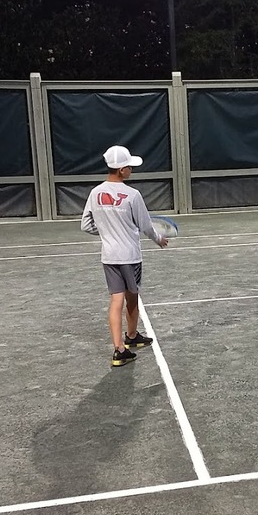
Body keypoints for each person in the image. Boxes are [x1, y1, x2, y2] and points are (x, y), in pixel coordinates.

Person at [81, 145, 169, 367]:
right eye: (129, 166)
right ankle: (129, 339)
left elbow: (86, 225)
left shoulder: (95, 193)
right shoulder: (133, 195)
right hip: (130, 256)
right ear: (121, 170)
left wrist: (106, 231)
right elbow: (146, 225)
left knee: (116, 300)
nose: (131, 169)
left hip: (109, 256)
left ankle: (123, 346)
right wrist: (159, 239)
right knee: (132, 296)